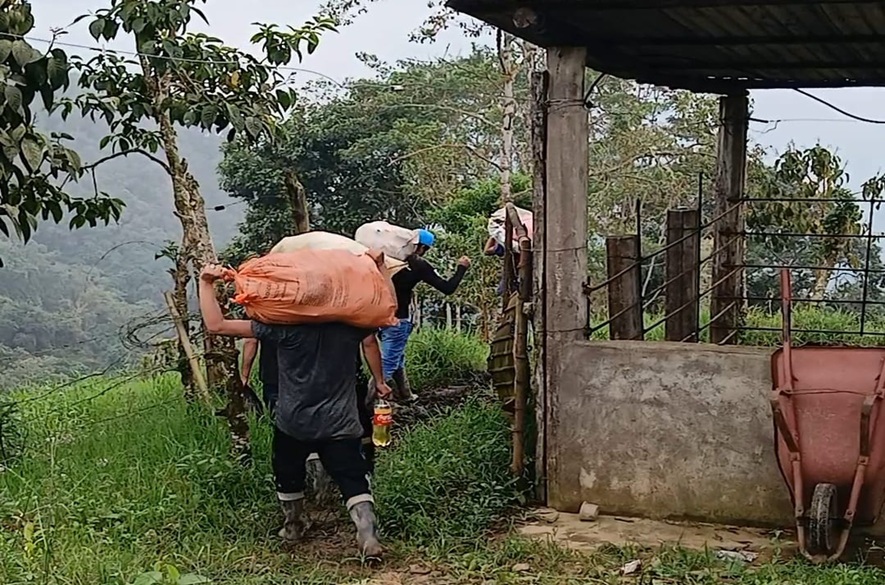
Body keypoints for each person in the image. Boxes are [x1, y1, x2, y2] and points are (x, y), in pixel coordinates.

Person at [198, 265, 391, 557]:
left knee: (288, 472)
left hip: (293, 421)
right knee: (353, 475)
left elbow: (217, 326)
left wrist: (205, 283)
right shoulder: (350, 327)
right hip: (342, 421)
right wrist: (379, 269)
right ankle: (367, 534)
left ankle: (293, 525)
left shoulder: (281, 330)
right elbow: (387, 307)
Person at [382, 229, 470, 401]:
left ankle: (405, 394)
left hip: (377, 315)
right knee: (389, 362)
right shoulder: (418, 265)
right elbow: (447, 288)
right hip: (399, 318)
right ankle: (372, 402)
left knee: (396, 356)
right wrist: (461, 268)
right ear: (420, 248)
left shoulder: (382, 261)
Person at [241, 337, 277, 414]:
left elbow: (251, 341)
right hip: (303, 374)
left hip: (273, 373)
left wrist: (244, 376)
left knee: (277, 415)